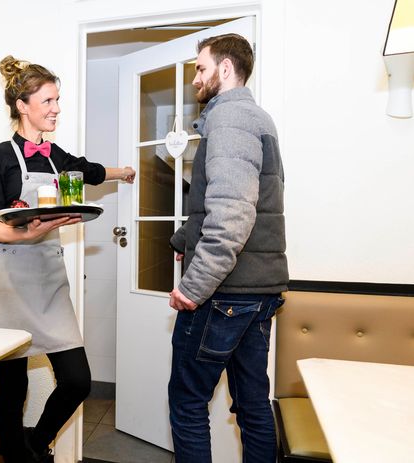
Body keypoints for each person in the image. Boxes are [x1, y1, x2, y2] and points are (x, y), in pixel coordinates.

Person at [0, 55, 135, 463]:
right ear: (22, 106)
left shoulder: (53, 156)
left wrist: (123, 172)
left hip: (48, 283)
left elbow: (87, 170)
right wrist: (27, 231)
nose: (56, 108)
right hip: (6, 282)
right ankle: (19, 457)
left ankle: (36, 441)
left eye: (57, 100)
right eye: (47, 101)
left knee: (77, 380)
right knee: (12, 389)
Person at [166, 34, 289, 463]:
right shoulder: (257, 118)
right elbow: (244, 202)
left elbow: (233, 216)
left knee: (187, 402)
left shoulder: (230, 119)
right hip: (258, 292)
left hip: (224, 293)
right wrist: (183, 240)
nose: (195, 78)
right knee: (253, 405)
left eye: (200, 69)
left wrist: (193, 286)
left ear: (224, 69)